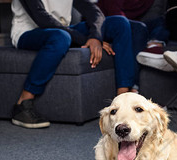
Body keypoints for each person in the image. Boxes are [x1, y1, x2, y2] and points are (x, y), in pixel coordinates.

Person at [10, 0, 136, 129]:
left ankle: (123, 101)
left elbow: (93, 11)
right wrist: (87, 40)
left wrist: (95, 36)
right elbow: (41, 18)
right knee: (61, 37)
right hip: (29, 32)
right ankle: (23, 103)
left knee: (119, 23)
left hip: (64, 30)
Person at [97, 0, 170, 91]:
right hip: (106, 23)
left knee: (160, 22)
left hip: (131, 23)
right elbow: (116, 15)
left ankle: (154, 45)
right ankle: (130, 89)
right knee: (137, 28)